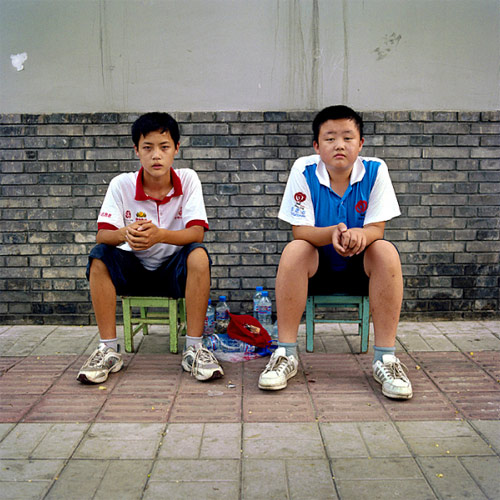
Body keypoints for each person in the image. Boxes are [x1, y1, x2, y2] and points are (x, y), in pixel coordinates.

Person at [258, 105, 412, 399]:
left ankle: (386, 359)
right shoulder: (304, 170)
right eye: (330, 138)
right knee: (295, 249)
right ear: (316, 146)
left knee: (385, 251)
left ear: (360, 143)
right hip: (317, 267)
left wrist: (360, 234)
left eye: (347, 138)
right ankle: (285, 353)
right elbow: (300, 230)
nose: (339, 145)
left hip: (361, 268)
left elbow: (377, 229)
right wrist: (331, 233)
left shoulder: (375, 170)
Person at [77, 112, 223, 384]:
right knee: (99, 256)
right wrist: (125, 233)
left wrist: (160, 236)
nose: (156, 155)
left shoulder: (188, 179)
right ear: (136, 150)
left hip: (173, 271)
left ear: (176, 148)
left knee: (199, 255)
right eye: (148, 147)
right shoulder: (121, 184)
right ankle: (108, 350)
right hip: (133, 270)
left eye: (164, 147)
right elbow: (102, 235)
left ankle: (195, 348)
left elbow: (197, 233)